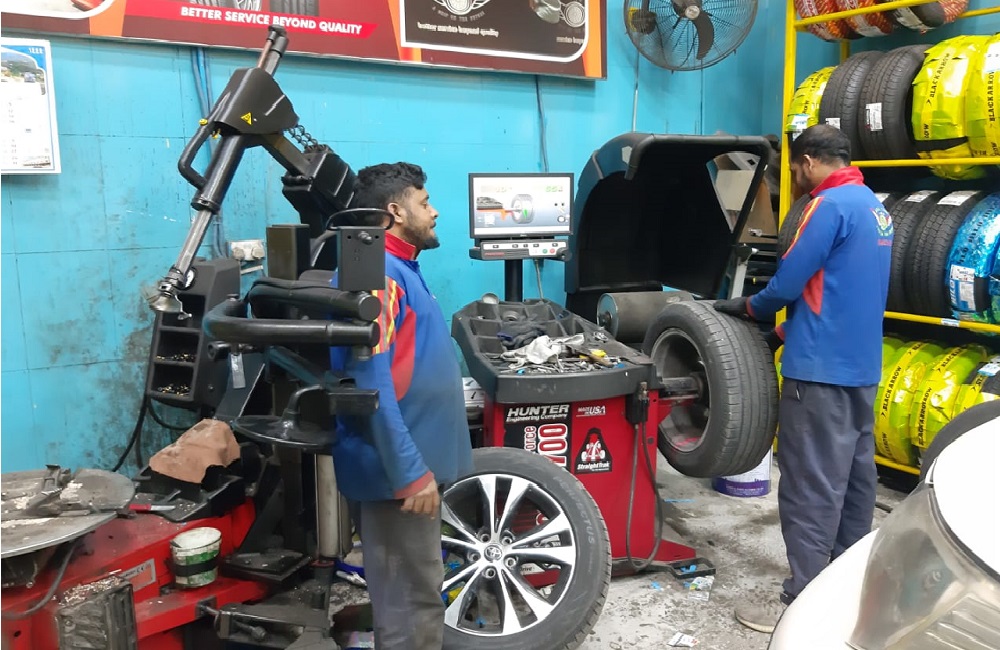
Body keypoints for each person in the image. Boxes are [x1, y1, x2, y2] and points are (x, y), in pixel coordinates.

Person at [714, 124, 893, 633]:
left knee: (810, 488)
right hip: (861, 370)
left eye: (794, 169)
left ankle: (802, 606)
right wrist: (782, 333)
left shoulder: (826, 206)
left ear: (809, 161)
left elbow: (789, 282)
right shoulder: (875, 209)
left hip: (818, 375)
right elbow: (842, 292)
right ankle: (845, 595)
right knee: (854, 484)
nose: (795, 179)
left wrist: (749, 308)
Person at [329, 162, 474, 649]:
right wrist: (410, 472)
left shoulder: (399, 266)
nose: (434, 212)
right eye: (424, 202)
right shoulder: (380, 276)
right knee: (411, 603)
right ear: (395, 211)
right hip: (396, 475)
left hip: (406, 468)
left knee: (414, 592)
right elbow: (368, 382)